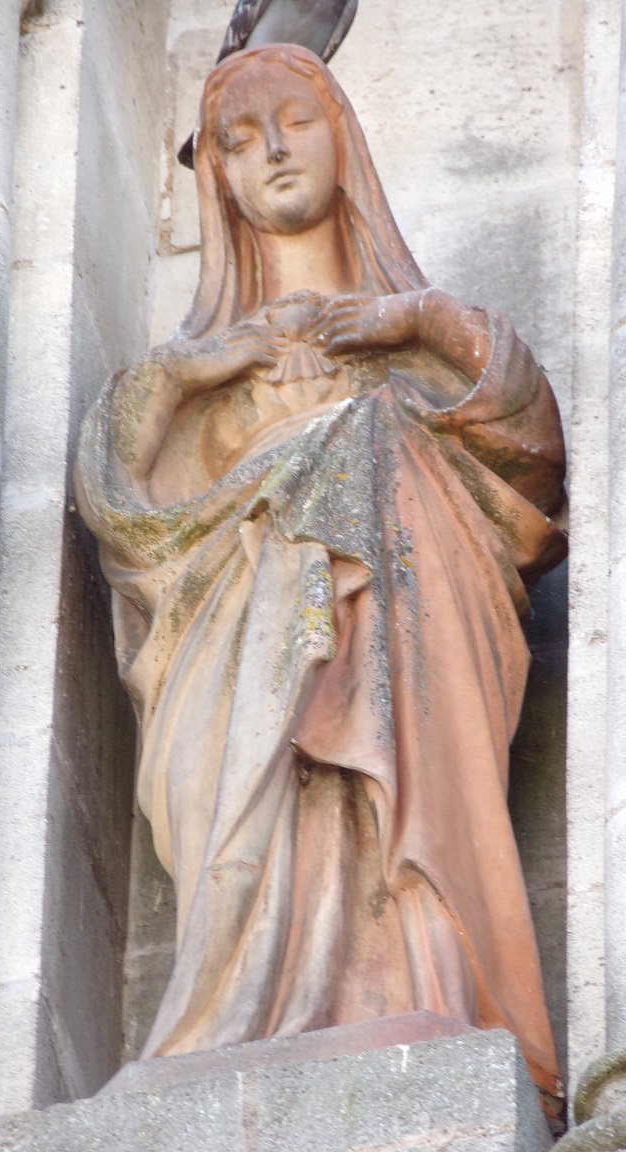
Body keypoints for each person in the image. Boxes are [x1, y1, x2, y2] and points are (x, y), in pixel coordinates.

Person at [75, 44, 567, 1105]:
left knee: (369, 438)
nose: (273, 151)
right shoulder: (192, 375)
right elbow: (119, 504)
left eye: (295, 121)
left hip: (403, 662)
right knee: (251, 835)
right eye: (240, 141)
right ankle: (239, 1007)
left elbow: (530, 456)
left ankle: (419, 984)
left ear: (343, 136)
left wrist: (418, 323)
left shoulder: (423, 339)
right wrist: (200, 368)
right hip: (240, 673)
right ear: (218, 179)